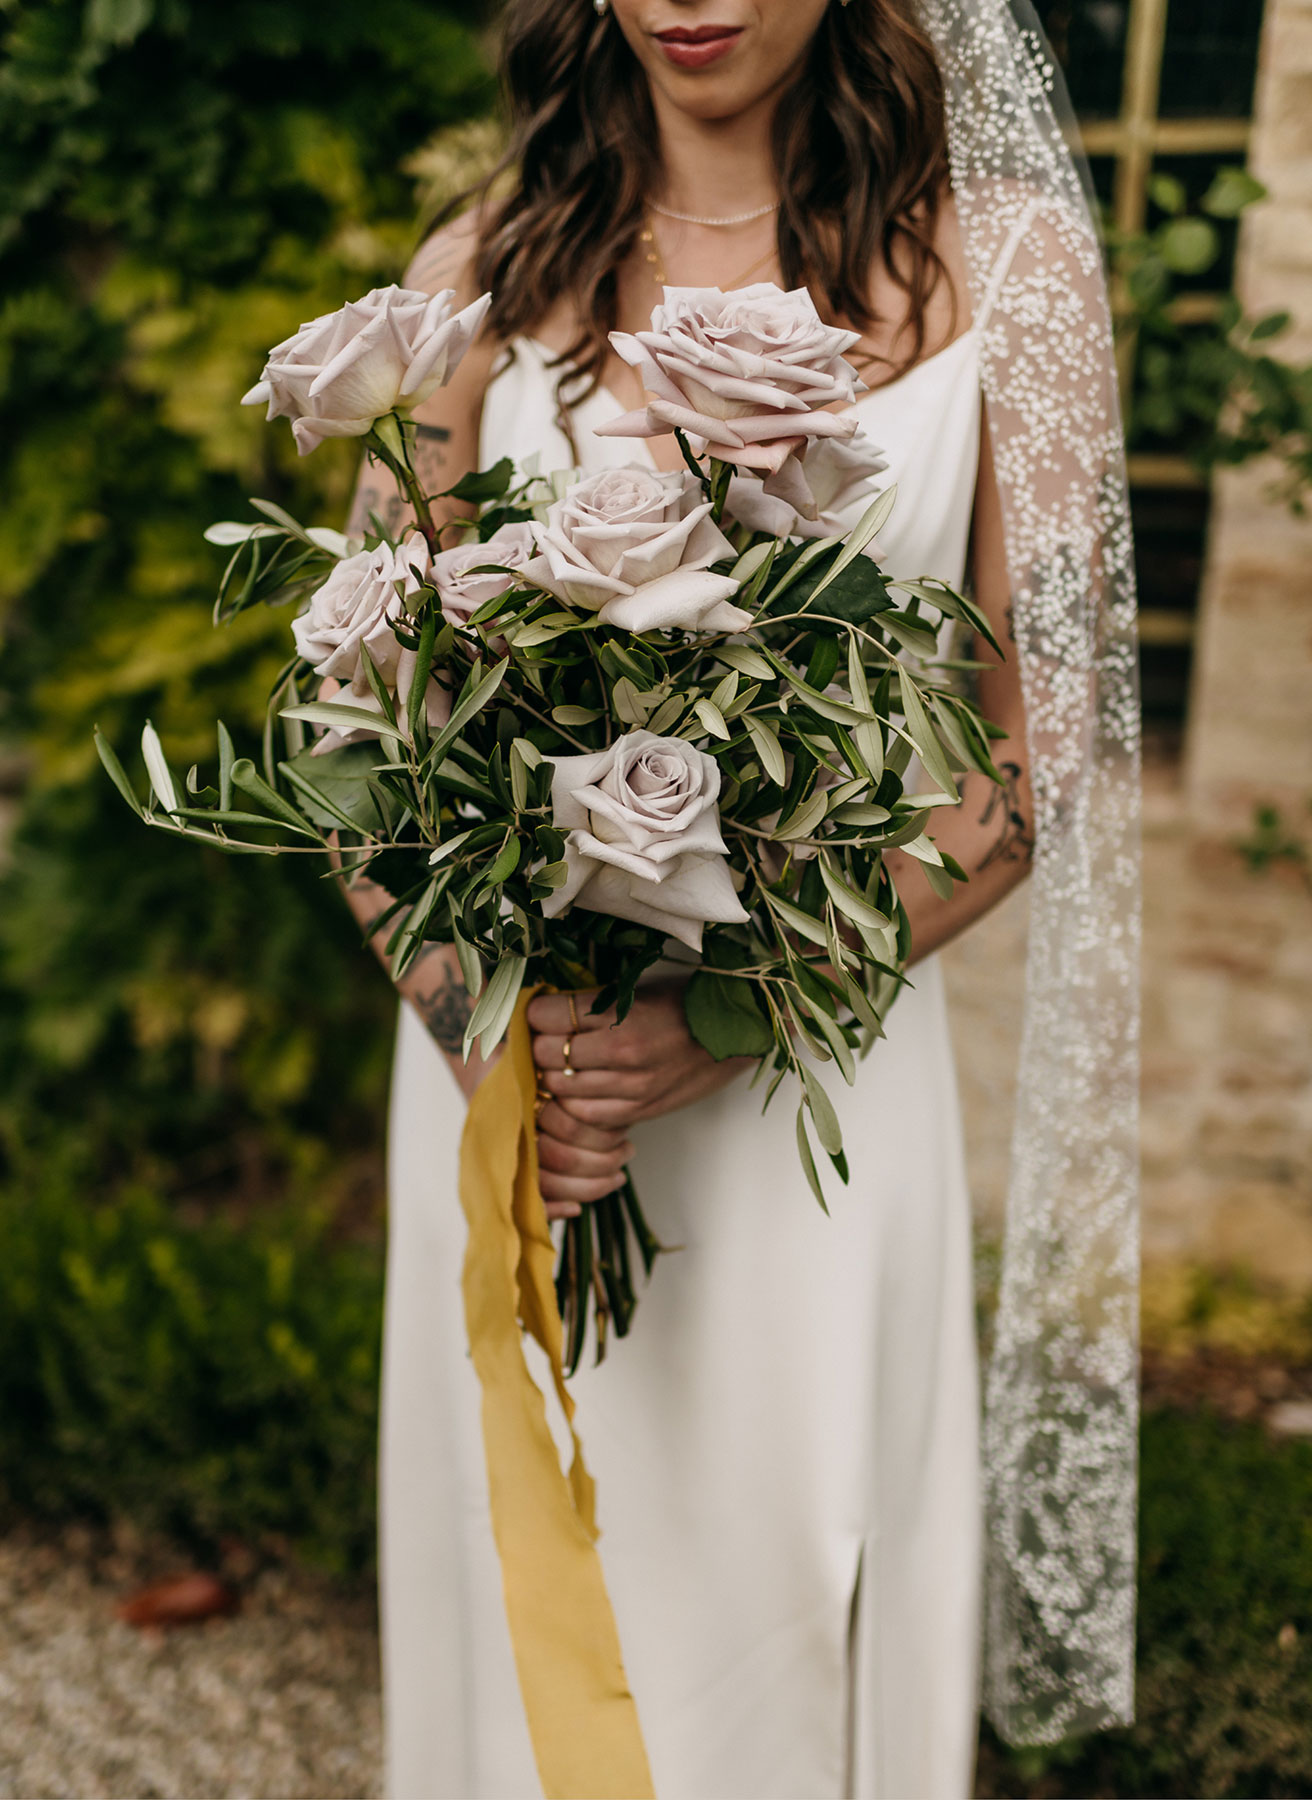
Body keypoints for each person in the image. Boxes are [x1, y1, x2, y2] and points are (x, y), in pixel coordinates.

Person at [342, 1, 1141, 1794]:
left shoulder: (1008, 269)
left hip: (808, 1085)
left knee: (786, 1596)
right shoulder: (484, 268)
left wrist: (729, 1012)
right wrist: (494, 1025)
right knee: (522, 1589)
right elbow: (364, 722)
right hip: (514, 1086)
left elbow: (1043, 748)